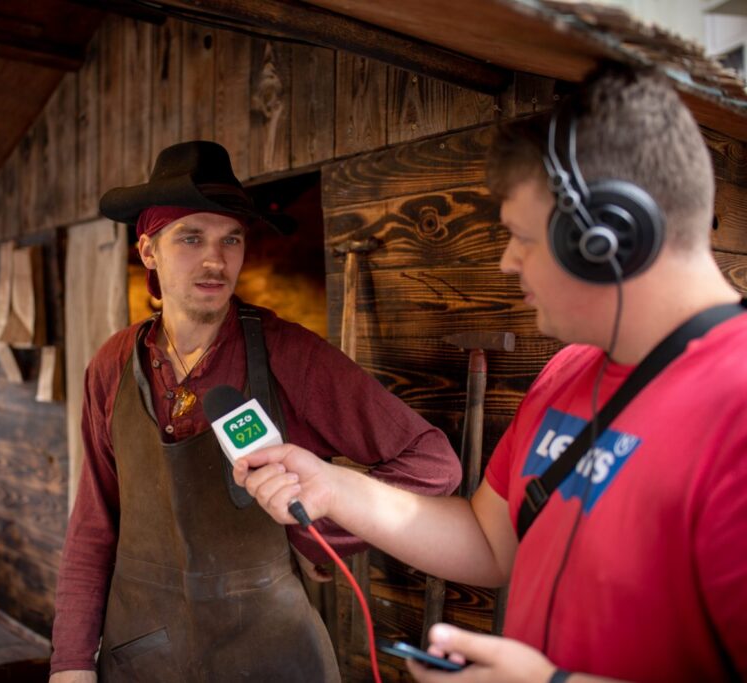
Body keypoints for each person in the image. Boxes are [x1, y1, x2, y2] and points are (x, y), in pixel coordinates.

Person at [235, 63, 747, 682]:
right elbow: (487, 539)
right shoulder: (565, 374)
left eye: (522, 238)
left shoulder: (736, 409)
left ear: (611, 238)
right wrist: (334, 488)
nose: (506, 262)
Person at [49, 141, 462, 682]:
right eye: (190, 238)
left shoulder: (289, 354)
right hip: (144, 653)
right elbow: (93, 527)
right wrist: (72, 664)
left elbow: (432, 463)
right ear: (148, 250)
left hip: (269, 655)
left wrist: (319, 531)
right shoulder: (111, 365)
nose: (215, 260)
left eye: (231, 240)